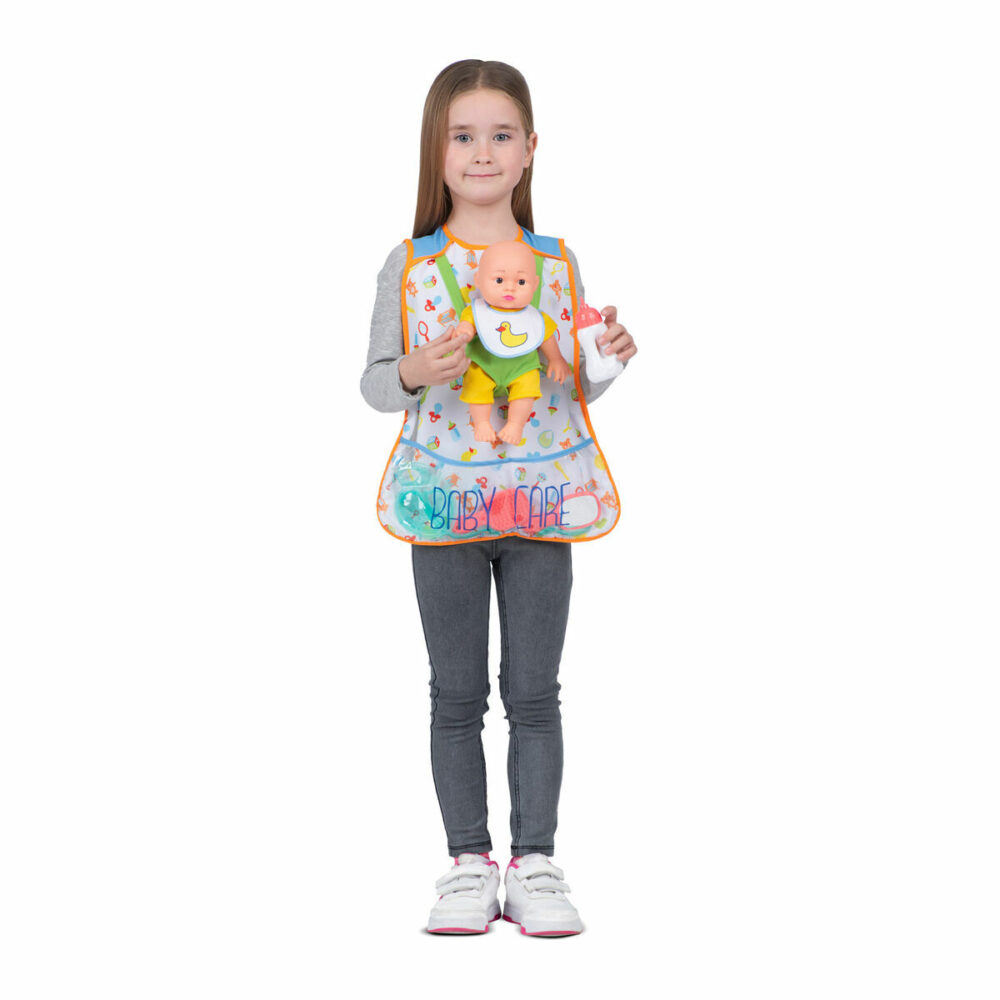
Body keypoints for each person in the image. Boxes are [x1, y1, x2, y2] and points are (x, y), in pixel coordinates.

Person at [360, 60, 637, 936]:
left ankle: (536, 863)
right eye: (463, 135)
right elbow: (375, 385)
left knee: (534, 693)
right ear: (436, 151)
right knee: (454, 695)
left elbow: (568, 388)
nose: (482, 152)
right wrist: (416, 369)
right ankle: (468, 864)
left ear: (530, 149)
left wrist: (605, 361)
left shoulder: (557, 263)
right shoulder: (411, 265)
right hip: (442, 508)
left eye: (501, 135)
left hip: (542, 504)